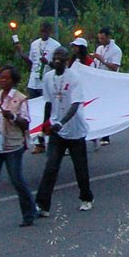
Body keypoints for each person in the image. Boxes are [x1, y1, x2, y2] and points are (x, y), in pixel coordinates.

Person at [34, 46, 94, 215]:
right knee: (51, 167)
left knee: (80, 167)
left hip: (75, 129)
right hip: (57, 130)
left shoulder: (74, 78)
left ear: (67, 61)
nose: (58, 60)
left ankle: (86, 197)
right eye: (55, 57)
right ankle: (42, 205)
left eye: (61, 58)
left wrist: (61, 122)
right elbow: (48, 102)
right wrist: (45, 124)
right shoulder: (48, 78)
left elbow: (75, 105)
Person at [0, 67, 36, 227]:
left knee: (17, 180)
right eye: (1, 78)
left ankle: (29, 212)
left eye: (6, 78)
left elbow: (26, 123)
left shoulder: (20, 99)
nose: (2, 81)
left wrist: (12, 116)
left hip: (12, 145)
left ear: (13, 81)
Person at [18, 22, 62, 153]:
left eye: (46, 31)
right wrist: (22, 54)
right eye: (41, 31)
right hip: (34, 81)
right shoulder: (34, 44)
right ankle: (36, 139)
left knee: (46, 112)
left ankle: (44, 139)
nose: (43, 33)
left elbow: (59, 66)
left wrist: (48, 62)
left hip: (47, 82)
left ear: (50, 32)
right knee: (32, 110)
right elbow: (31, 63)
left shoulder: (56, 46)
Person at [93, 27, 123, 147]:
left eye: (103, 38)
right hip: (99, 81)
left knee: (107, 108)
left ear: (108, 37)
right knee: (97, 107)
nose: (101, 40)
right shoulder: (99, 48)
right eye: (99, 38)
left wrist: (103, 60)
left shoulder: (116, 50)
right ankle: (97, 132)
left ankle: (106, 135)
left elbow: (115, 67)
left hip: (110, 82)